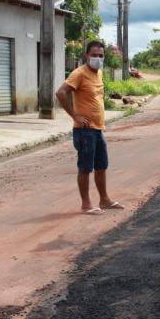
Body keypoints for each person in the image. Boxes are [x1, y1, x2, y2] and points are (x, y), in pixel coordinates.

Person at [56, 41, 125, 215]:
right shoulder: (79, 73)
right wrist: (75, 115)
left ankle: (104, 200)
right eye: (94, 55)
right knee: (85, 167)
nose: (97, 58)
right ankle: (86, 204)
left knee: (101, 165)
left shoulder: (99, 73)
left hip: (97, 128)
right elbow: (61, 92)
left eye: (100, 55)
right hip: (84, 130)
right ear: (86, 56)